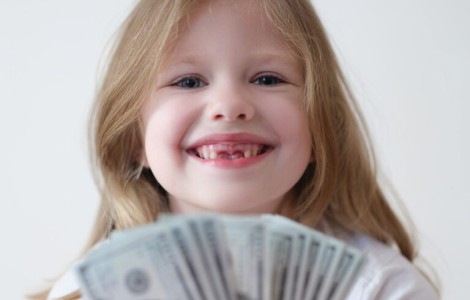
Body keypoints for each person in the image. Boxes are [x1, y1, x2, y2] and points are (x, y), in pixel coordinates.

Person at [32, 0, 439, 299]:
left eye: (267, 78)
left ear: (321, 129)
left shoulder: (385, 289)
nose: (229, 106)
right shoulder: (90, 289)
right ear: (133, 140)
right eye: (188, 82)